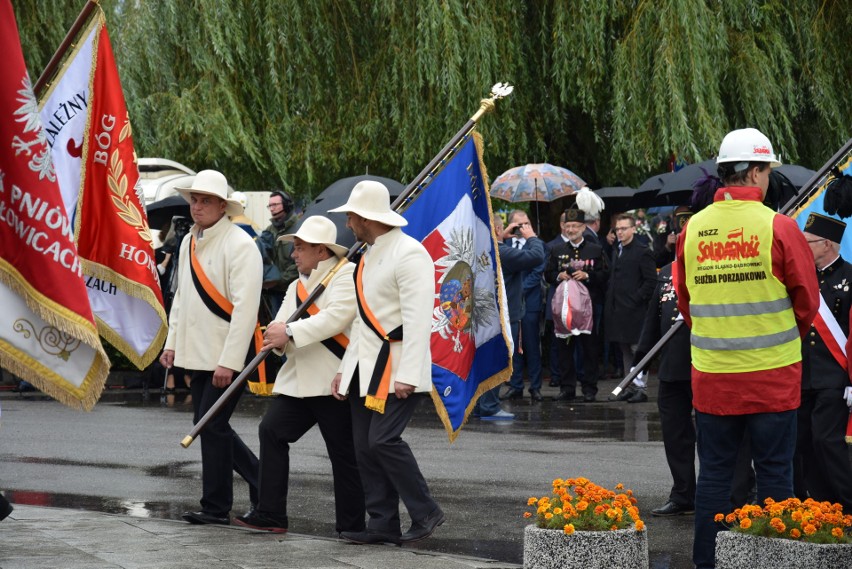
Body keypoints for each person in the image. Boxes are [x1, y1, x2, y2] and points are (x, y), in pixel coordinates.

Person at [674, 128, 819, 569]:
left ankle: (708, 563)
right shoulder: (778, 226)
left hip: (714, 377)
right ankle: (774, 561)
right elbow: (807, 300)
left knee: (715, 476)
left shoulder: (692, 229)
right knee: (776, 474)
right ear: (755, 171)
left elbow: (686, 303)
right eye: (767, 170)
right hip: (772, 376)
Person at [329, 181, 444, 545]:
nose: (348, 223)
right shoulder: (367, 255)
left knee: (382, 441)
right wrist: (345, 370)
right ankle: (381, 522)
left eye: (351, 216)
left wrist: (409, 374)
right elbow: (362, 324)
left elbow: (418, 319)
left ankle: (426, 511)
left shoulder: (410, 253)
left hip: (397, 368)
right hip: (365, 367)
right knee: (364, 446)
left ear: (366, 218)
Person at [234, 216, 365, 534]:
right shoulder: (295, 285)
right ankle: (271, 513)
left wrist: (288, 331)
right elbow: (278, 327)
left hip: (330, 380)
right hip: (298, 381)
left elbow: (335, 319)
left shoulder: (346, 274)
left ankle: (352, 526)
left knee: (343, 455)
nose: (294, 254)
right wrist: (279, 338)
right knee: (272, 431)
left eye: (300, 247)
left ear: (321, 251)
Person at [160, 169, 262, 526]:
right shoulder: (188, 240)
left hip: (226, 354)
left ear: (223, 205)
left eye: (205, 201)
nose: (197, 206)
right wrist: (172, 344)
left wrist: (229, 361)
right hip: (198, 351)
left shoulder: (241, 245)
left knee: (211, 425)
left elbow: (246, 310)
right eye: (194, 200)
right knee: (205, 423)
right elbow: (182, 298)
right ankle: (261, 479)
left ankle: (216, 507)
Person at [793, 213, 852, 511]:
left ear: (827, 243)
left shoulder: (850, 277)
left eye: (808, 243)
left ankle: (847, 503)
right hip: (803, 376)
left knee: (827, 441)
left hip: (835, 377)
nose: (802, 248)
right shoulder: (803, 279)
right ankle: (819, 504)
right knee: (803, 443)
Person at [545, 205, 608, 402]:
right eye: (568, 226)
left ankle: (589, 389)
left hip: (589, 308)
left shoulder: (595, 249)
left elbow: (606, 274)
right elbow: (547, 274)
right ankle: (567, 388)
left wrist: (587, 275)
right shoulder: (557, 250)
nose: (570, 230)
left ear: (583, 227)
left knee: (589, 349)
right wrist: (558, 275)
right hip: (564, 308)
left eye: (575, 226)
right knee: (564, 348)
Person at [489, 214, 545, 415]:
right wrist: (532, 237)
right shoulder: (501, 252)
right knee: (499, 359)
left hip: (488, 314)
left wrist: (500, 237)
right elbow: (536, 256)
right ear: (496, 230)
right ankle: (490, 406)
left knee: (487, 358)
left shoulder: (485, 248)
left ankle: (482, 405)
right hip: (505, 315)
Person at [604, 213, 657, 399]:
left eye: (624, 228)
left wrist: (636, 298)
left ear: (633, 229)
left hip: (635, 311)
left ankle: (640, 388)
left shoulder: (642, 251)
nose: (620, 232)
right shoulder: (617, 250)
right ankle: (630, 386)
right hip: (619, 310)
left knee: (637, 349)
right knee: (625, 349)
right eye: (617, 229)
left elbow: (651, 281)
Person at [502, 209, 547, 401]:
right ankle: (515, 384)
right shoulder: (505, 243)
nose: (523, 228)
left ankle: (535, 387)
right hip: (511, 303)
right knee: (513, 346)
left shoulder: (537, 244)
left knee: (531, 344)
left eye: (527, 223)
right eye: (519, 225)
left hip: (530, 300)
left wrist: (522, 289)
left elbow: (538, 270)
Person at [259, 190, 299, 316]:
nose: (272, 209)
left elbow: (300, 262)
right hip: (274, 291)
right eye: (270, 205)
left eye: (275, 205)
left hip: (295, 289)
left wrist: (279, 280)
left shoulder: (299, 228)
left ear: (286, 205)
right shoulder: (269, 230)